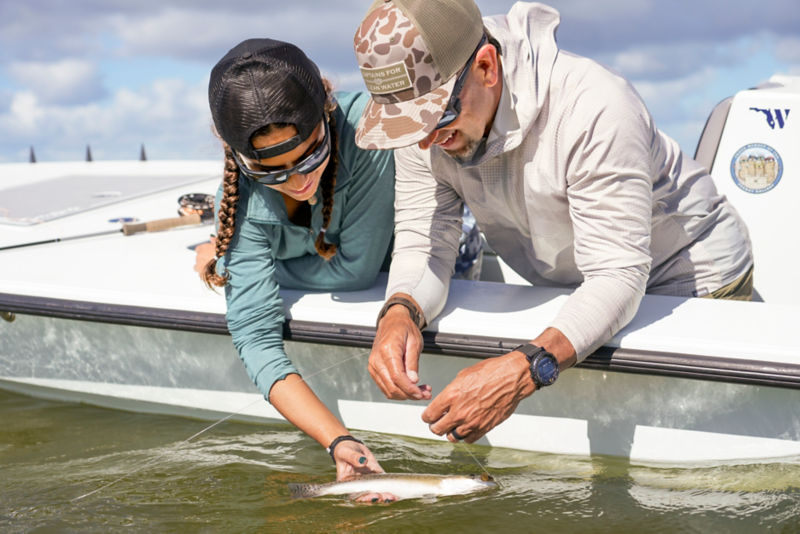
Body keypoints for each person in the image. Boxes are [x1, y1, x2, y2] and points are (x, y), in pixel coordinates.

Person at [353, 1, 754, 444]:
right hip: (575, 282)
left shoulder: (595, 106)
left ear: (487, 67)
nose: (427, 140)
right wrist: (399, 312)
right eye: (408, 126)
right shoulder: (424, 126)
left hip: (686, 275)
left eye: (437, 117)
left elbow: (618, 274)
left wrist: (522, 371)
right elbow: (422, 244)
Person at [202, 38, 397, 501]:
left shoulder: (369, 136)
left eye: (310, 155)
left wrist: (233, 264)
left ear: (327, 114)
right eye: (269, 172)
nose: (297, 180)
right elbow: (254, 334)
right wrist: (339, 440)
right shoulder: (237, 200)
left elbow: (355, 270)